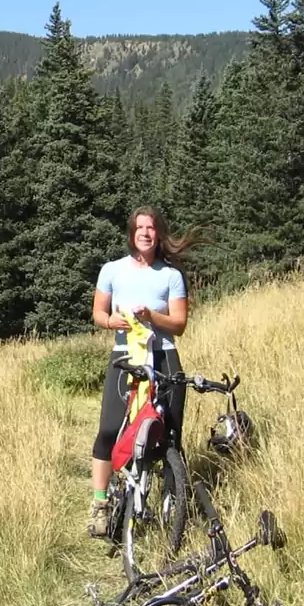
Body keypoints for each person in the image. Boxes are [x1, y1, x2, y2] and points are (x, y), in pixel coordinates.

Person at [87, 206, 199, 538]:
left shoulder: (171, 276)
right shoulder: (112, 270)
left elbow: (178, 325)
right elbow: (97, 312)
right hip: (125, 358)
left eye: (151, 228)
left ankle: (170, 501)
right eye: (140, 228)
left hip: (164, 358)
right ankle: (100, 504)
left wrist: (152, 316)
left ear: (159, 233)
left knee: (170, 434)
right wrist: (111, 321)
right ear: (131, 233)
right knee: (109, 429)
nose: (145, 233)